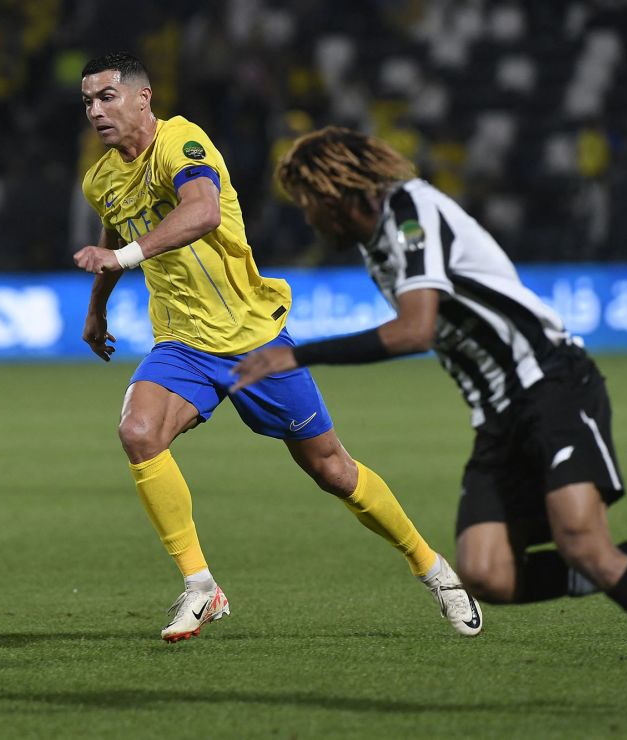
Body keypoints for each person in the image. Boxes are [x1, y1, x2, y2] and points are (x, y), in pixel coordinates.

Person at [229, 126, 627, 722]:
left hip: (548, 381)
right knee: (486, 572)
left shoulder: (410, 211)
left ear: (335, 188)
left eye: (310, 203)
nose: (309, 219)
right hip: (496, 412)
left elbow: (415, 330)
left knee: (581, 541)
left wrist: (300, 353)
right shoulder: (374, 248)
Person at [71, 53, 481, 643]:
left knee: (333, 470)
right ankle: (201, 587)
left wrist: (124, 257)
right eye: (87, 101)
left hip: (252, 339)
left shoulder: (183, 143)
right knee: (138, 431)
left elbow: (203, 211)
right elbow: (114, 229)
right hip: (183, 342)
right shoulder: (100, 178)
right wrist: (96, 307)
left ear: (143, 98)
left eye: (107, 96)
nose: (96, 110)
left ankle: (434, 569)